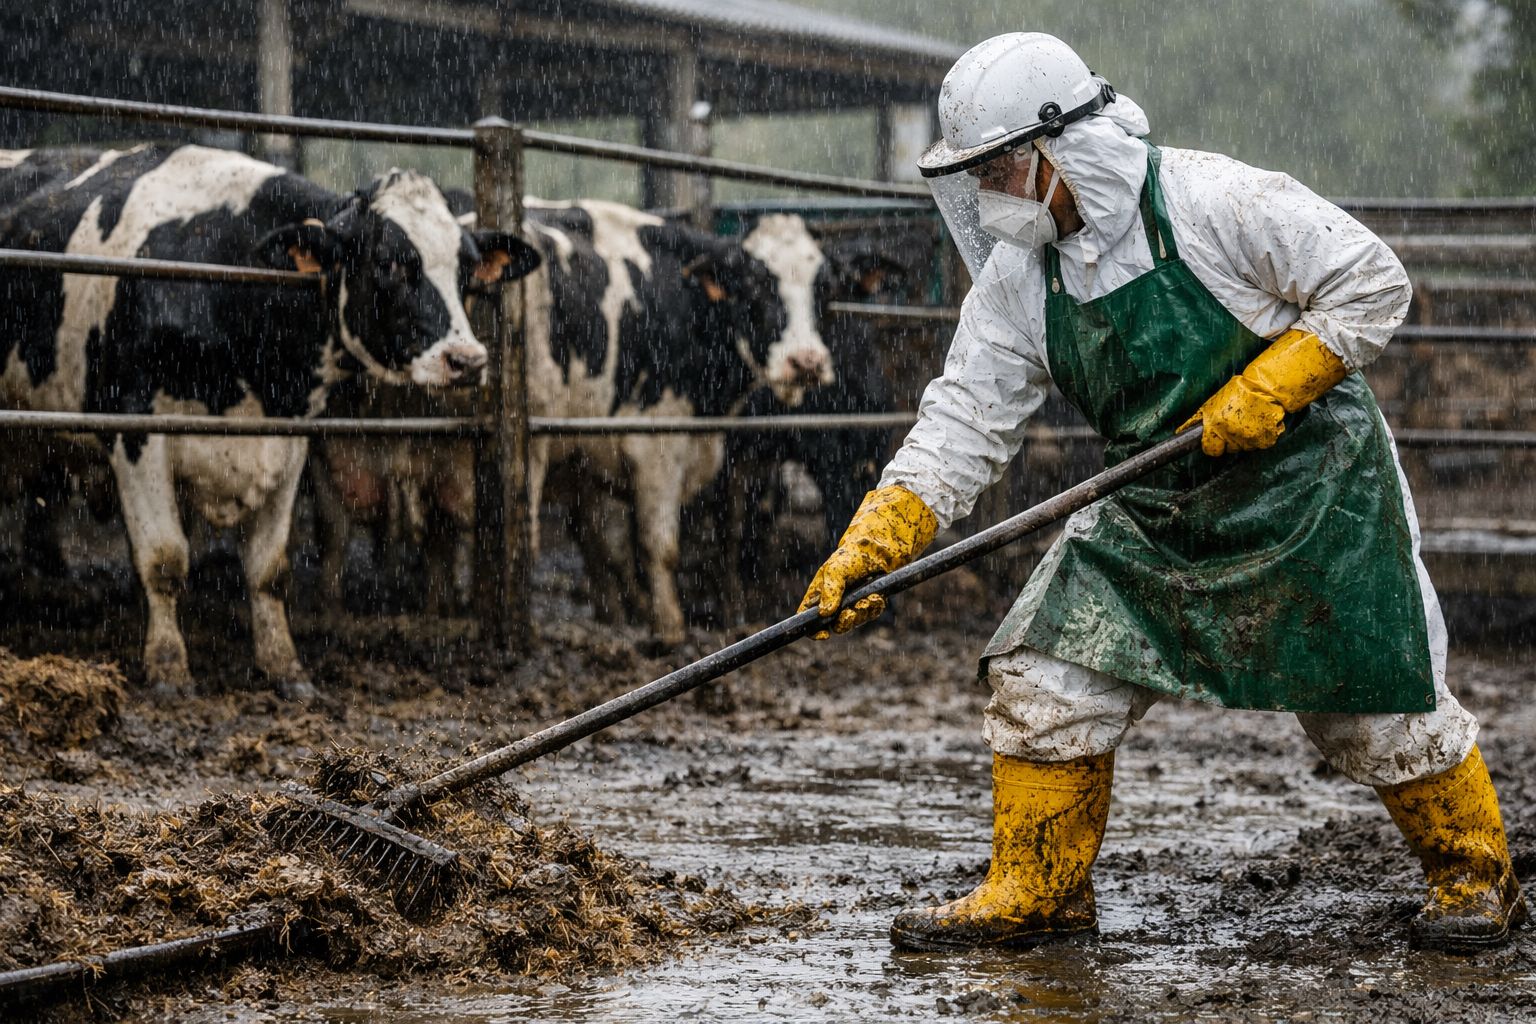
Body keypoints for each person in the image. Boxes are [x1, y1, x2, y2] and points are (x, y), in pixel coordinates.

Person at [800, 31, 1526, 955]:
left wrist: (1274, 383)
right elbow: (962, 424)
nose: (989, 197)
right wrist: (878, 539)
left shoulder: (1213, 200)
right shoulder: (1020, 279)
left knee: (1375, 700)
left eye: (1000, 171)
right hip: (1160, 502)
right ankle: (1037, 887)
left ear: (1059, 148)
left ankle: (1474, 879)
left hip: (1309, 488)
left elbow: (1372, 278)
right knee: (1044, 669)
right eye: (976, 177)